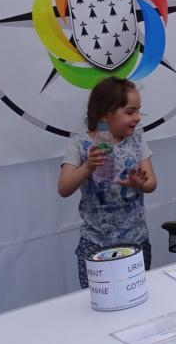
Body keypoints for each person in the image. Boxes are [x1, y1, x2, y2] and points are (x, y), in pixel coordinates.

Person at [58, 77, 157, 288]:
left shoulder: (138, 141)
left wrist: (139, 184)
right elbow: (64, 188)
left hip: (136, 242)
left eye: (139, 111)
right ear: (105, 114)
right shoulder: (80, 144)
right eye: (130, 112)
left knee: (136, 296)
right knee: (98, 299)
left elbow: (151, 184)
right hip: (95, 245)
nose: (137, 118)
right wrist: (87, 167)